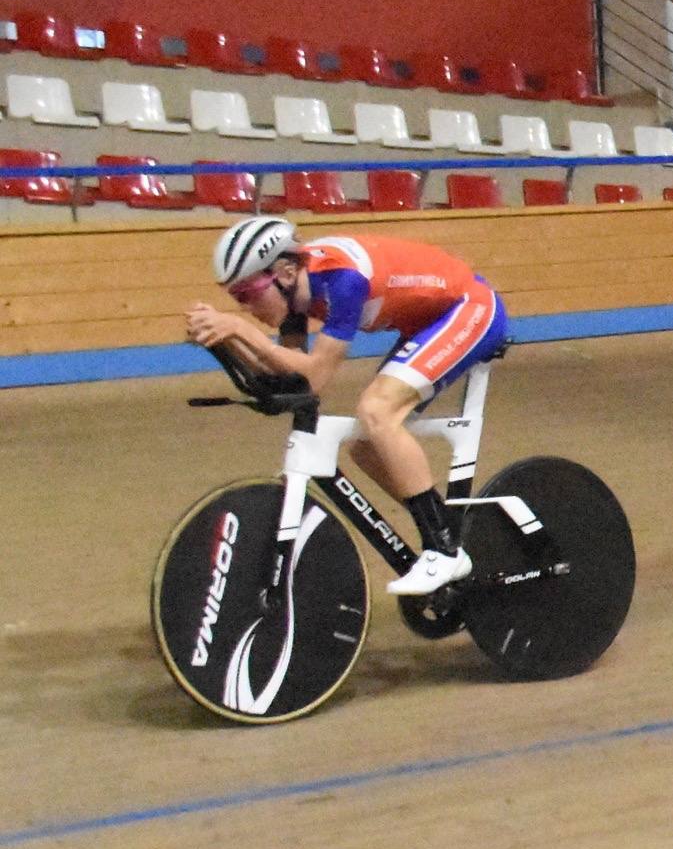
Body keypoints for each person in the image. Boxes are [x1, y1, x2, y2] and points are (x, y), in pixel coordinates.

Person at [183, 218, 504, 597]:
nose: (245, 306)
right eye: (237, 298)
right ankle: (446, 527)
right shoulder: (296, 295)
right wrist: (225, 341)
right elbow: (289, 373)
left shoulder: (343, 281)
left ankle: (444, 549)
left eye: (248, 293)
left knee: (377, 412)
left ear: (285, 273)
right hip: (428, 322)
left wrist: (241, 331)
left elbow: (315, 377)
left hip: (471, 309)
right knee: (366, 448)